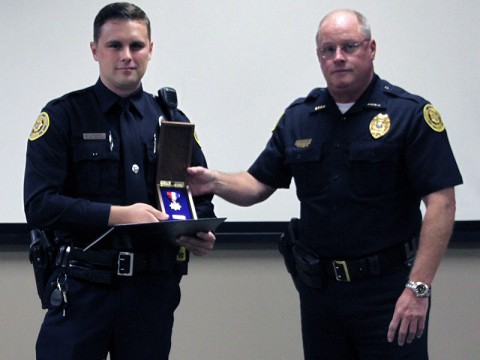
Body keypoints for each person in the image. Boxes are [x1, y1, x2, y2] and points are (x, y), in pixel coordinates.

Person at [187, 9, 462, 360]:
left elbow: (442, 203)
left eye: (349, 46)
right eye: (328, 50)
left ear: (371, 48)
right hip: (321, 292)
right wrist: (212, 181)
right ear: (319, 56)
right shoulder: (301, 117)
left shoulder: (409, 115)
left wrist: (418, 288)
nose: (338, 58)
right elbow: (256, 185)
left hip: (390, 291)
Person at [23, 3, 216, 359]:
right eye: (114, 45)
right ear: (95, 50)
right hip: (82, 290)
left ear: (151, 50)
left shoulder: (171, 121)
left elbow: (198, 195)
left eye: (136, 45)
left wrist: (195, 232)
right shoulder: (63, 116)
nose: (127, 56)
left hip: (151, 292)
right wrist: (118, 214)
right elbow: (39, 205)